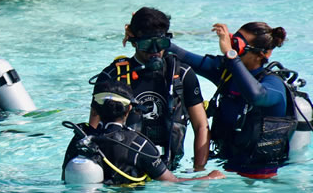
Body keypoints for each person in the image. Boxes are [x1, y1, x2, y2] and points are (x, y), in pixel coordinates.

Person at [168, 22, 294, 178]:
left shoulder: (273, 85)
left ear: (263, 54)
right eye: (233, 41)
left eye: (238, 46)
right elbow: (182, 56)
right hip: (226, 165)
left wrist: (230, 54)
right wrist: (149, 31)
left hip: (261, 175)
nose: (232, 47)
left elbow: (256, 95)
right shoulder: (226, 73)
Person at [90, 7, 210, 172]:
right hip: (125, 168)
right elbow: (93, 130)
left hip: (170, 169)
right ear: (134, 41)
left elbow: (201, 126)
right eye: (147, 45)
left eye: (160, 44)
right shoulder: (113, 76)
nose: (155, 52)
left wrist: (199, 170)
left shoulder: (182, 74)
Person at [62, 78, 225, 184]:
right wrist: (209, 177)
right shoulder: (138, 144)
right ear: (129, 110)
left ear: (95, 109)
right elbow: (172, 182)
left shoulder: (81, 139)